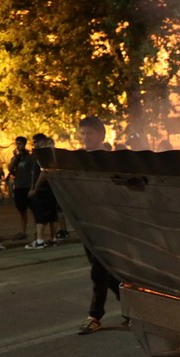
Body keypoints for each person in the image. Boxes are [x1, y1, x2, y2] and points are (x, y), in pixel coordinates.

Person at [76, 116, 122, 334]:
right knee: (108, 271)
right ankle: (133, 306)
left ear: (101, 135)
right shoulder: (78, 159)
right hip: (86, 222)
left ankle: (95, 315)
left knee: (98, 269)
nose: (85, 138)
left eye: (90, 134)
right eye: (82, 133)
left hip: (106, 222)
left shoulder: (107, 160)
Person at [24, 134, 58, 249]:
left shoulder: (43, 156)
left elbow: (44, 173)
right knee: (52, 215)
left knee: (41, 215)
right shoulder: (53, 155)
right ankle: (53, 238)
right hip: (51, 189)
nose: (34, 144)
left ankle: (40, 240)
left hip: (43, 190)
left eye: (36, 142)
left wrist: (35, 189)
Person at [7, 136, 32, 239]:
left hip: (28, 185)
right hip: (19, 186)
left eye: (20, 143)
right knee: (22, 210)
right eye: (16, 144)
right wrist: (16, 158)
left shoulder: (30, 157)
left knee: (34, 209)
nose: (18, 146)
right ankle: (23, 231)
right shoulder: (15, 158)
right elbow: (10, 169)